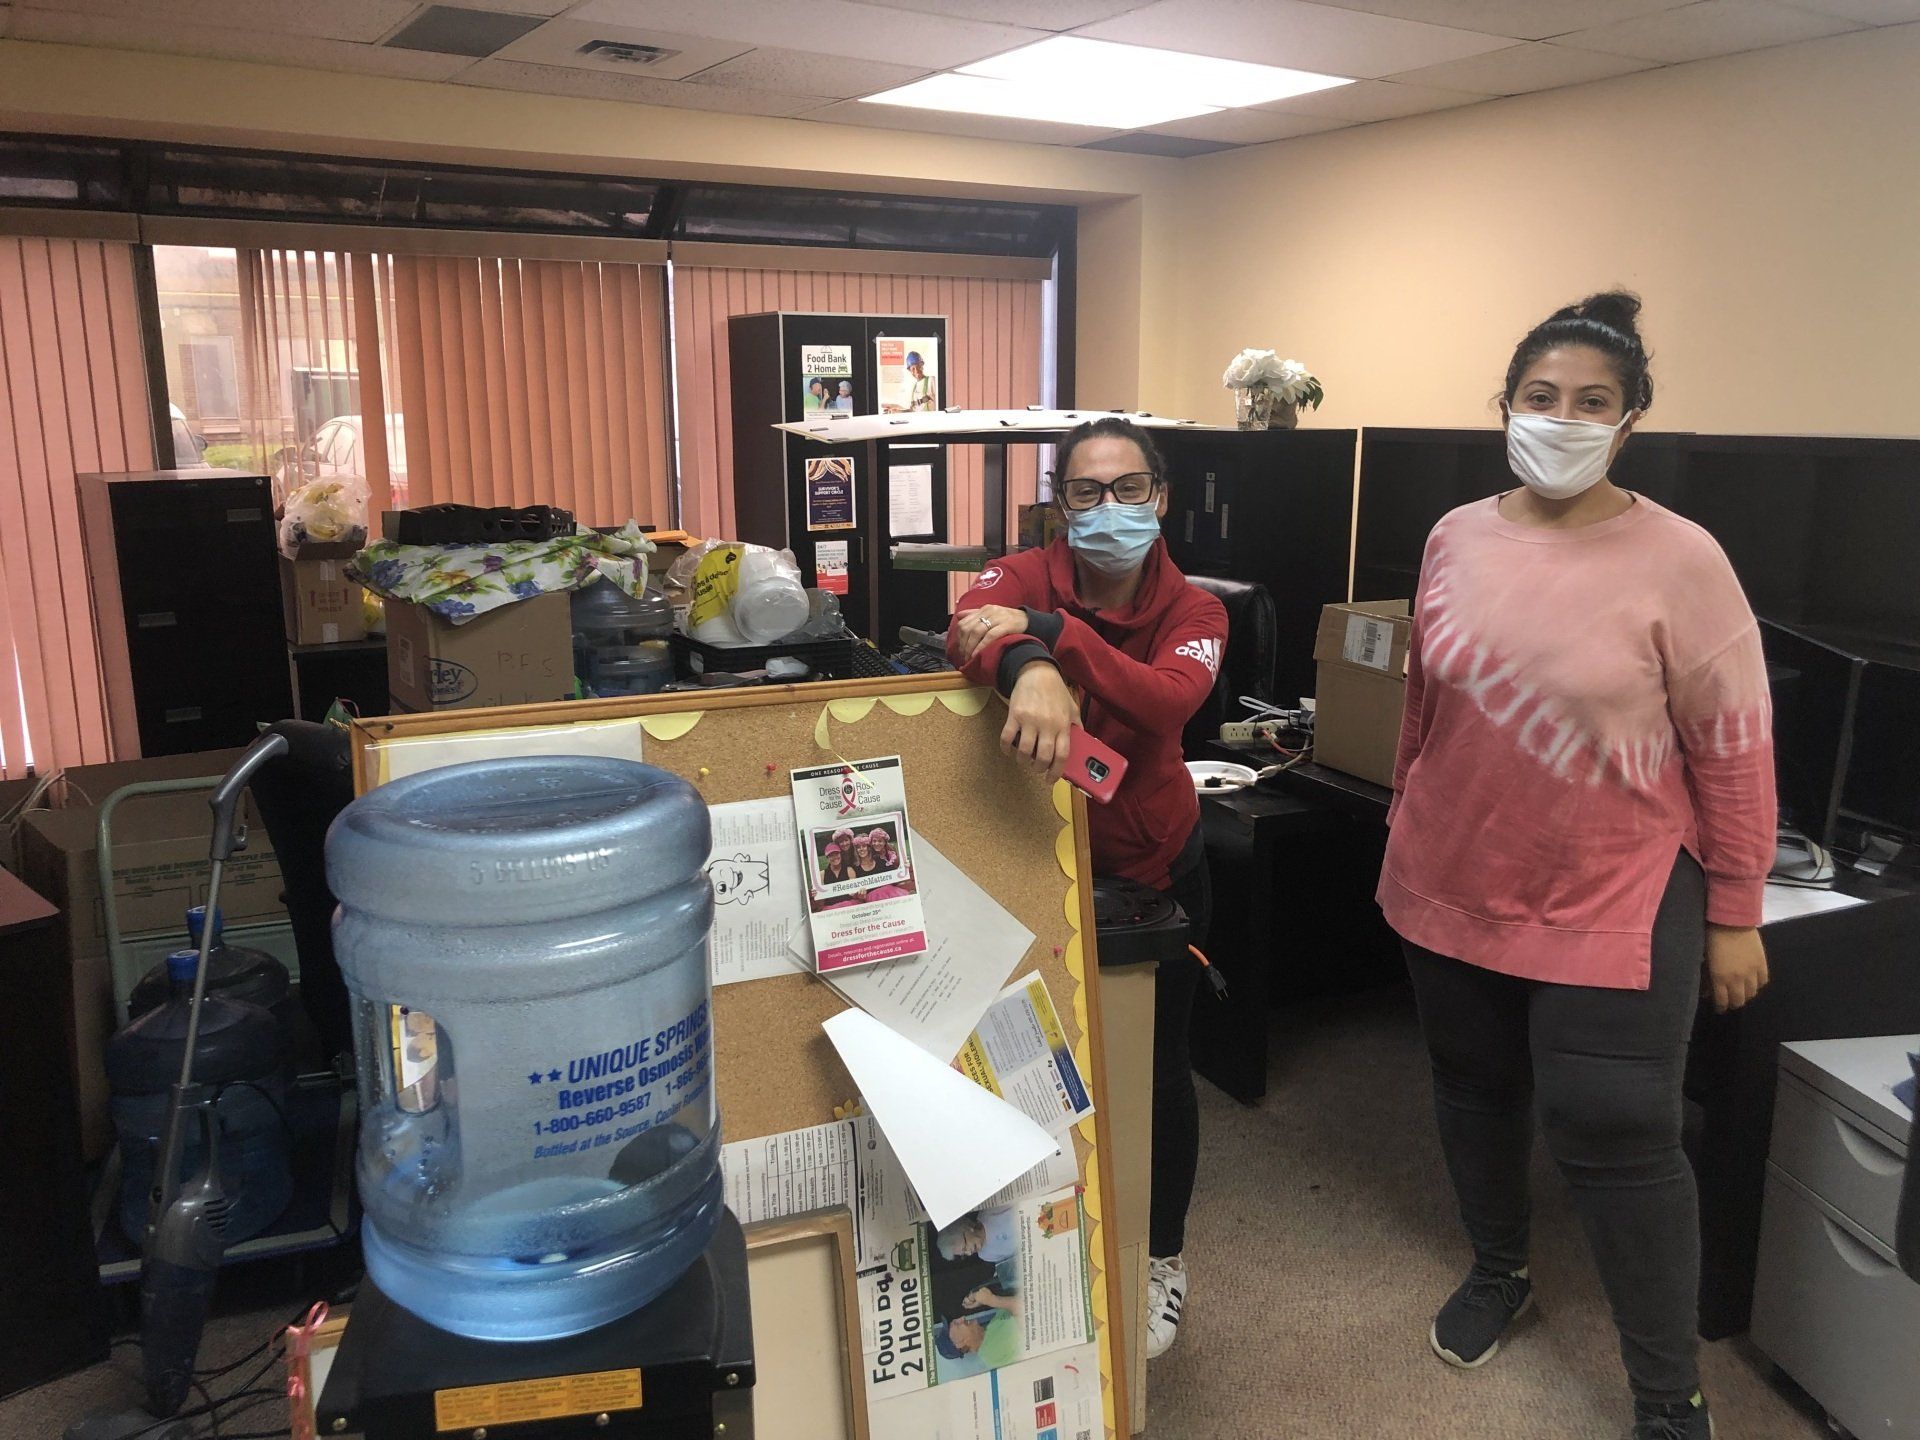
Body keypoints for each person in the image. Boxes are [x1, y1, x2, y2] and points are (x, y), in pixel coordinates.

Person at [1379, 292, 1775, 1440]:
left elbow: (1737, 747)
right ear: (1504, 407)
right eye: (1540, 399)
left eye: (1590, 403)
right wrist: (1405, 810)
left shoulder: (1681, 557)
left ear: (1631, 420)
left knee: (1616, 1131)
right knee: (1471, 1087)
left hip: (1616, 886)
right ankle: (1502, 1268)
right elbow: (1422, 700)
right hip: (1450, 871)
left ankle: (1670, 1396)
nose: (1561, 419)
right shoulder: (1455, 534)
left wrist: (1737, 909)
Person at [947, 416, 1227, 1360]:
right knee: (1032, 1066)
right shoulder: (1020, 574)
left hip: (1150, 874)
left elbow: (1164, 702)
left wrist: (1054, 637)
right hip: (1030, 861)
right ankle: (1042, 1241)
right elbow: (964, 630)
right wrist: (1029, 664)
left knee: (1153, 1076)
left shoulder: (1198, 611)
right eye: (1085, 491)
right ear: (1057, 502)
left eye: (1129, 489)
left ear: (1162, 497)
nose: (1107, 508)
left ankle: (1162, 1260)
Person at [934, 1292, 1022, 1371]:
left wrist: (981, 1296)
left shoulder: (990, 1329)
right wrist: (992, 1300)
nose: (962, 1318)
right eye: (957, 1324)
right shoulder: (992, 1352)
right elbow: (1028, 1314)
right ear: (959, 1343)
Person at [935, 1206, 1017, 1265]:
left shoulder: (990, 1211)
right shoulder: (986, 1255)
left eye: (965, 1247)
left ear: (965, 1228)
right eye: (964, 1254)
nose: (970, 1253)